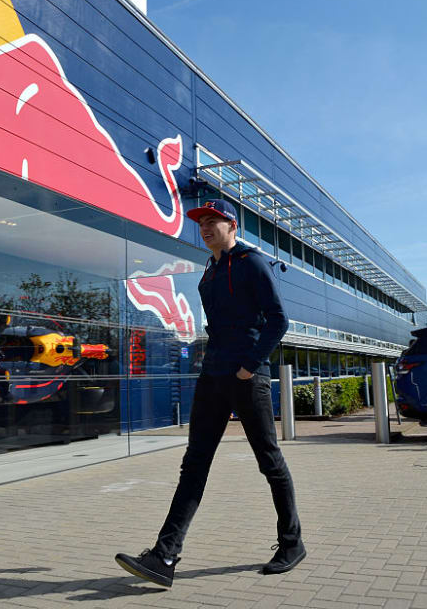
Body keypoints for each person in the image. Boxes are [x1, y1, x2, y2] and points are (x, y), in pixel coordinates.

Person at [115, 199, 305, 587]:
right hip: (213, 375)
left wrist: (249, 365)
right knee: (194, 462)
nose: (204, 227)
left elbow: (278, 319)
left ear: (231, 225)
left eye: (212, 221)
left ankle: (292, 543)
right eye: (200, 222)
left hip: (245, 377)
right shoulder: (211, 270)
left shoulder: (251, 262)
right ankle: (164, 556)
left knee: (268, 460)